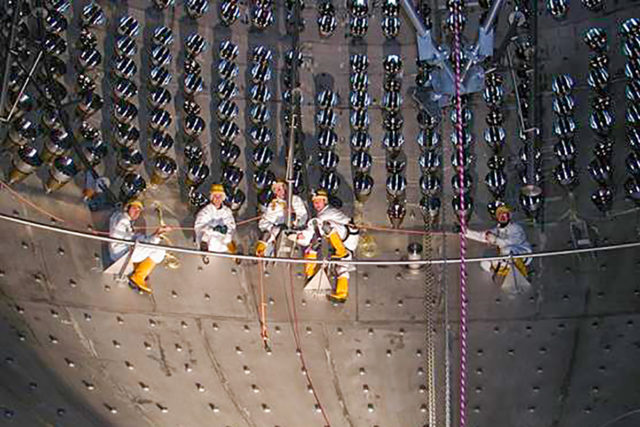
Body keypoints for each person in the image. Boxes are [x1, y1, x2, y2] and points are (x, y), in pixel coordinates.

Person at [296, 190, 359, 303]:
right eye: (315, 202)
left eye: (319, 201)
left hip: (347, 236)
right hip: (345, 242)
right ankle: (341, 294)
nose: (316, 204)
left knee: (325, 226)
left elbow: (316, 223)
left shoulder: (327, 212)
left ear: (325, 201)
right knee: (342, 268)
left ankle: (340, 252)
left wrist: (303, 236)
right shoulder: (324, 213)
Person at [109, 199, 172, 293]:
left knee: (153, 245)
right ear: (128, 208)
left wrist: (156, 234)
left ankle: (138, 270)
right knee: (159, 250)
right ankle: (138, 277)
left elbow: (135, 238)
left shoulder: (123, 218)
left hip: (123, 250)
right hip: (121, 254)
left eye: (139, 210)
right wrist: (156, 235)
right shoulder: (123, 220)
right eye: (134, 208)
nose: (136, 212)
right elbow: (131, 239)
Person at [464, 205, 532, 278]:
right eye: (500, 214)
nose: (502, 216)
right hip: (506, 258)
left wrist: (495, 240)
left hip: (522, 254)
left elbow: (512, 242)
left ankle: (523, 273)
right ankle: (505, 271)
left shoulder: (516, 228)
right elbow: (481, 236)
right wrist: (464, 231)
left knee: (507, 250)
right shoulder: (496, 230)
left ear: (509, 216)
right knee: (485, 263)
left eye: (504, 214)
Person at [256, 179, 308, 257]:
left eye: (280, 188)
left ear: (285, 188)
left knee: (307, 240)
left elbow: (303, 215)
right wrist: (272, 228)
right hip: (279, 229)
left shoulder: (295, 199)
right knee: (266, 236)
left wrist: (295, 221)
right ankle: (261, 253)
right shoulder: (273, 205)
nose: (279, 191)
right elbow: (264, 221)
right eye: (276, 190)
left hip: (296, 229)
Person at [194, 184, 237, 255]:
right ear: (212, 197)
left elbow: (231, 224)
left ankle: (233, 253)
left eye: (219, 196)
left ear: (223, 198)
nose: (217, 199)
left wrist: (226, 229)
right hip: (210, 240)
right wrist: (212, 229)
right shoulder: (206, 210)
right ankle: (204, 252)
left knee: (228, 237)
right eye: (215, 196)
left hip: (222, 242)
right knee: (205, 236)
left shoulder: (227, 211)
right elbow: (199, 225)